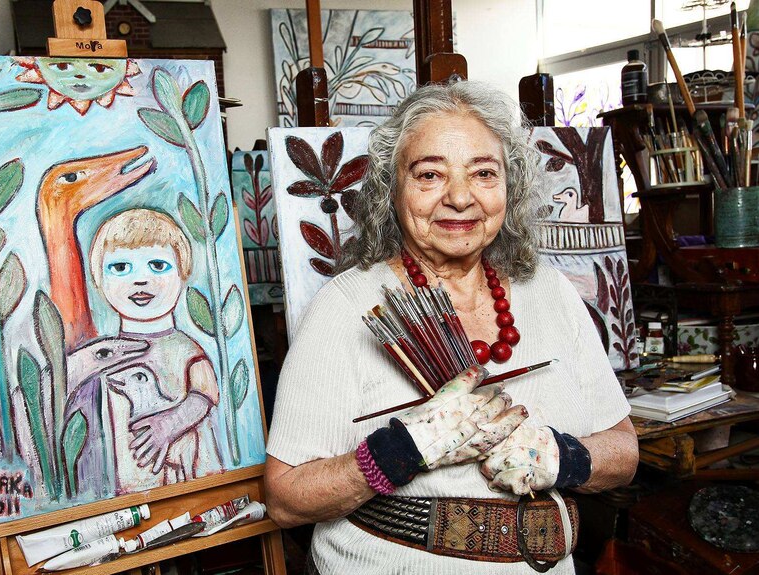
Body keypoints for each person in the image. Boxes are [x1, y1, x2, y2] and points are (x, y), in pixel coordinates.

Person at [265, 80, 639, 574]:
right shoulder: (346, 307)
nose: (460, 198)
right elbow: (285, 499)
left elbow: (624, 450)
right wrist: (399, 451)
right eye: (430, 175)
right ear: (391, 189)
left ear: (511, 187)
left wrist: (562, 456)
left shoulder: (550, 291)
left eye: (484, 173)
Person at [87, 208, 225, 488]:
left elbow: (206, 393)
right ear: (99, 281)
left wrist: (169, 425)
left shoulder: (185, 349)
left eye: (158, 265)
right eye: (121, 267)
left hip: (186, 478)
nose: (140, 280)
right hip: (127, 487)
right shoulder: (106, 354)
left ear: (182, 274)